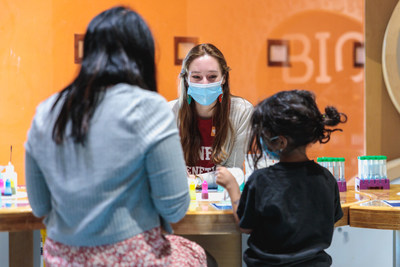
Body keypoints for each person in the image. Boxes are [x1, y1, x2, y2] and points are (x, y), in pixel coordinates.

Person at [25, 6, 213, 266]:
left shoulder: (47, 112)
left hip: (62, 258)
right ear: (143, 56)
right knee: (200, 255)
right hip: (131, 257)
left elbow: (40, 207)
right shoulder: (149, 108)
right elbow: (175, 207)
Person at [217, 90, 346, 267]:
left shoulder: (261, 180)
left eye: (263, 133)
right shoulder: (326, 178)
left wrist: (232, 187)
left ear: (281, 142)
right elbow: (331, 220)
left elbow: (245, 226)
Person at [169, 43, 253, 189]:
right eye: (196, 77)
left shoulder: (242, 111)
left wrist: (196, 180)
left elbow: (233, 173)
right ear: (186, 79)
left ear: (224, 78)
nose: (204, 83)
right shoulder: (170, 112)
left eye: (212, 76)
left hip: (222, 200)